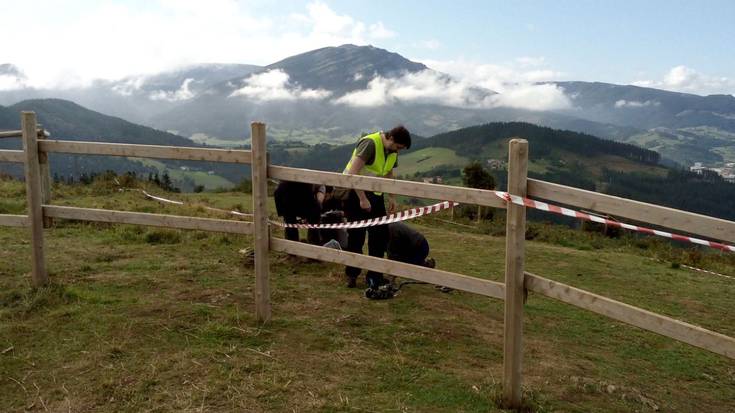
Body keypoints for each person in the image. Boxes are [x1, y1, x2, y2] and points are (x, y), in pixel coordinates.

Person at [341, 125, 411, 290]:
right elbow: (353, 173)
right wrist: (362, 198)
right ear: (391, 138)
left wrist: (392, 196)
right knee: (356, 236)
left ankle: (375, 276)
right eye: (398, 147)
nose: (398, 151)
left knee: (379, 236)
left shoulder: (392, 151)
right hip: (354, 194)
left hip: (376, 196)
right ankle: (352, 275)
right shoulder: (370, 144)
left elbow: (388, 173)